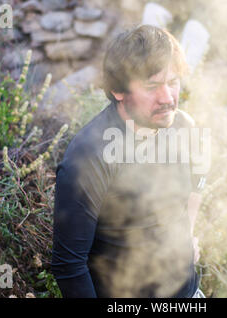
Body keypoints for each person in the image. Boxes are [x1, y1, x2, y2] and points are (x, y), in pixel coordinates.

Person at [51, 24, 206, 298]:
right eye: (152, 86)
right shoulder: (89, 156)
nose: (168, 98)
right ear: (119, 90)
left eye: (172, 82)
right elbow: (69, 267)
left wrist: (188, 237)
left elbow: (197, 184)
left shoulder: (184, 127)